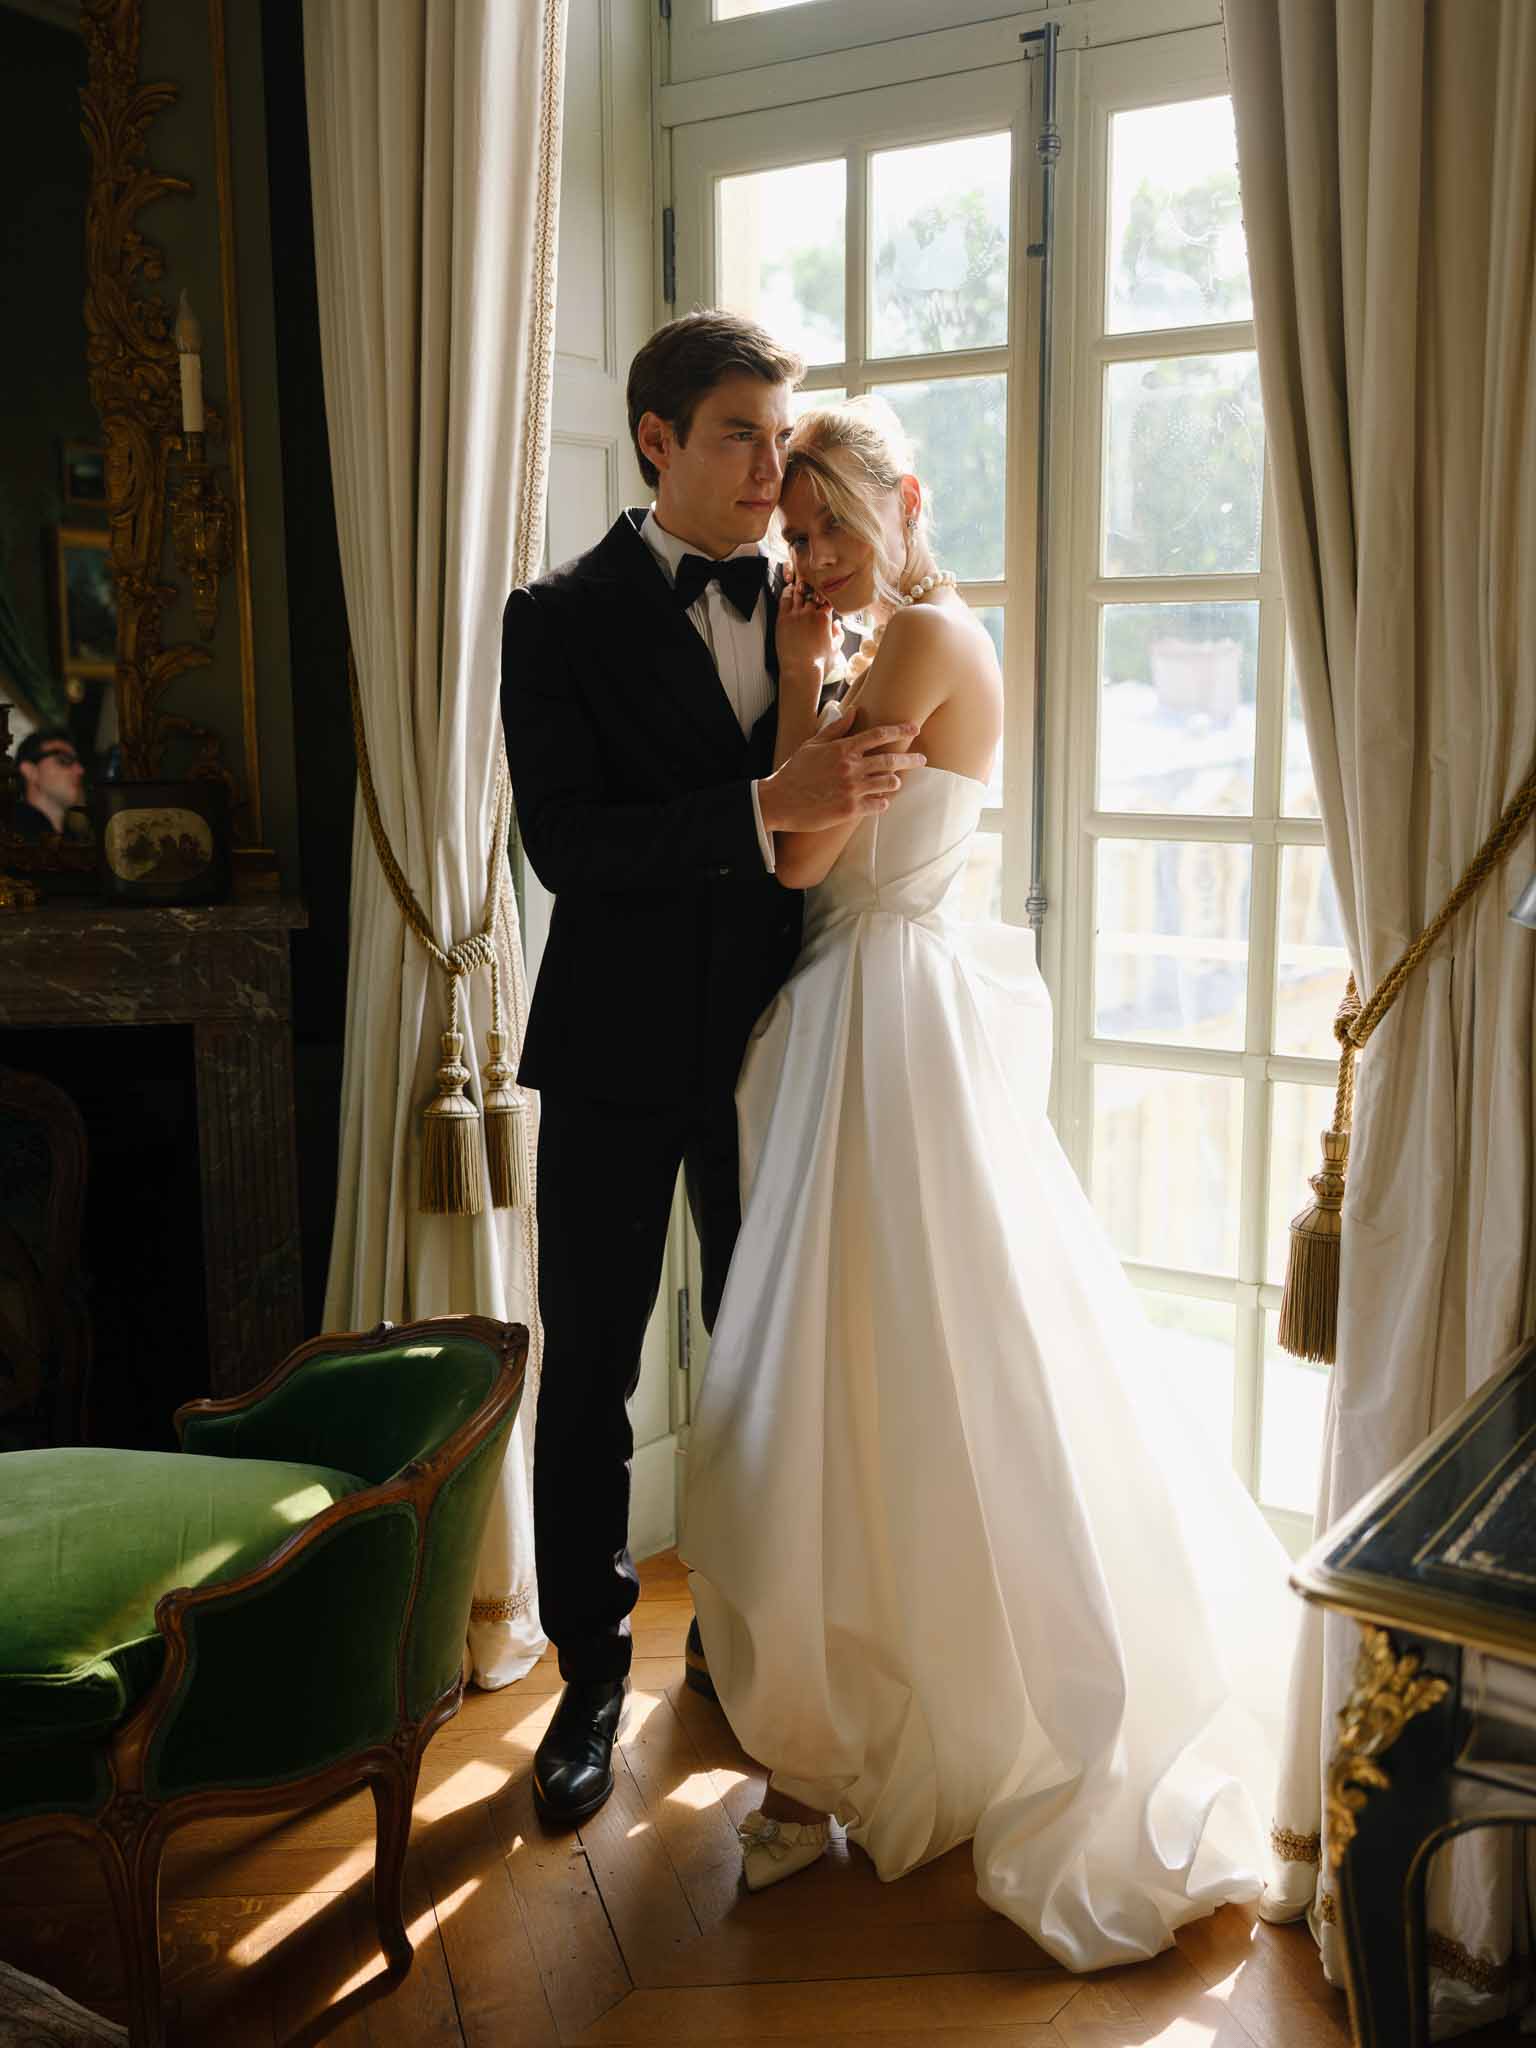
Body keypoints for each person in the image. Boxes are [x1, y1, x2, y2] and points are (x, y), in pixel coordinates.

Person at [682, 396, 1299, 1970]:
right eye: (794, 531)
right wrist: (814, 700)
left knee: (917, 1367)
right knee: (847, 1382)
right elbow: (806, 824)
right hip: (854, 1027)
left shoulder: (925, 646)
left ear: (901, 502)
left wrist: (810, 679)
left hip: (891, 1031)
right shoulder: (906, 639)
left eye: (827, 524)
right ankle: (874, 1711)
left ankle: (963, 1711)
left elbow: (804, 857)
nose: (806, 553)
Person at [500, 315, 927, 1829]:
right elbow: (568, 848)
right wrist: (762, 803)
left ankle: (746, 1659)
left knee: (772, 1368)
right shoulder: (551, 618)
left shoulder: (826, 595)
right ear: (657, 440)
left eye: (783, 432)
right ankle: (590, 1682)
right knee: (597, 1381)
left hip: (785, 1049)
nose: (772, 467)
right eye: (741, 433)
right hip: (614, 1055)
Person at [11, 728, 85, 841]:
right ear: (30, 771)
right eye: (64, 760)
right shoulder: (11, 840)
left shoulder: (75, 841)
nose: (80, 770)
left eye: (77, 762)